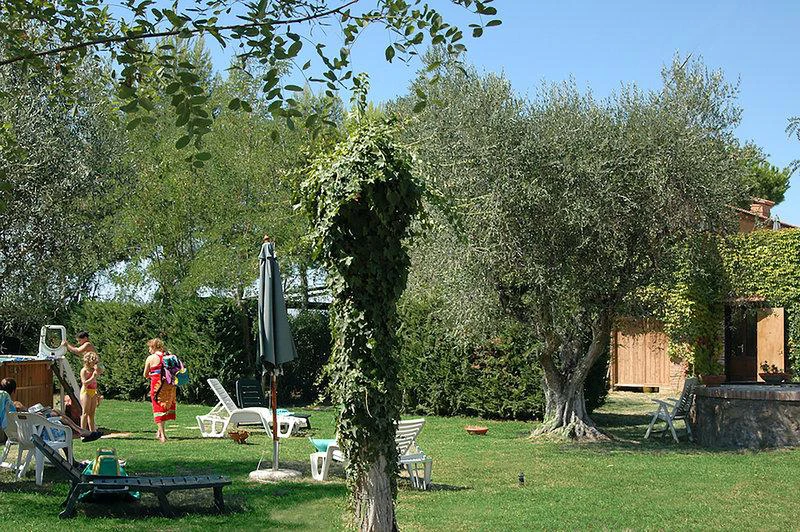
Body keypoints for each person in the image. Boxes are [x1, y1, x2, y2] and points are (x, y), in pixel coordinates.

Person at [0, 378, 101, 442]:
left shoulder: (5, 408)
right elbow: (28, 417)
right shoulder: (16, 404)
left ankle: (81, 431)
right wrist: (38, 414)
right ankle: (80, 431)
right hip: (32, 432)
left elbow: (25, 417)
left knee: (55, 412)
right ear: (14, 390)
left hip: (17, 433)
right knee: (60, 419)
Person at [143, 338, 176, 443]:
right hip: (169, 386)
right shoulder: (168, 356)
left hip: (157, 386)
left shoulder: (151, 358)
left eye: (149, 347)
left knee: (158, 408)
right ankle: (159, 432)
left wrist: (152, 375)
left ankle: (162, 435)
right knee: (164, 407)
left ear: (153, 347)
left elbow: (145, 374)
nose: (149, 350)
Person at [79, 352, 100, 431]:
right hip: (86, 392)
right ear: (88, 362)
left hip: (93, 391)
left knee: (92, 414)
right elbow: (85, 383)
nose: (95, 364)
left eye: (96, 362)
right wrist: (93, 377)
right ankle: (83, 432)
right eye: (93, 362)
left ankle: (92, 432)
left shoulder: (94, 370)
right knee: (85, 413)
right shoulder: (84, 371)